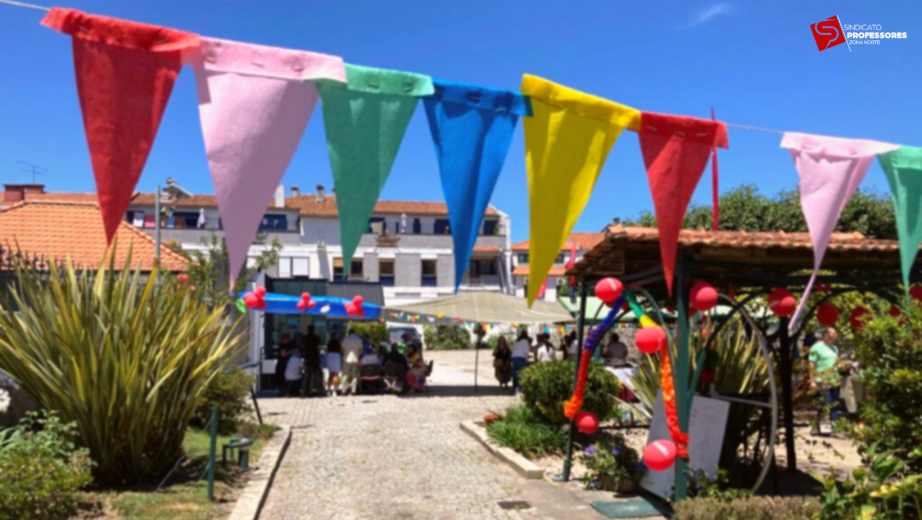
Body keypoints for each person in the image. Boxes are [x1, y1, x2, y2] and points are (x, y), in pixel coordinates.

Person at [809, 327, 842, 434]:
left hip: (835, 379)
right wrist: (812, 380)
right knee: (826, 403)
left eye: (835, 334)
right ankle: (815, 425)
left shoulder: (834, 348)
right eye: (833, 334)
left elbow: (836, 363)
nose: (835, 336)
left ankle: (835, 428)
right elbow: (811, 365)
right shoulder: (816, 347)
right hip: (822, 380)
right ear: (826, 335)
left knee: (834, 404)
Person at [342, 329, 364, 396]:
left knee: (345, 374)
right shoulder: (359, 340)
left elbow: (342, 350)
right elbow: (361, 351)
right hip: (355, 359)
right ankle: (353, 391)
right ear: (354, 333)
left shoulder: (345, 339)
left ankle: (344, 390)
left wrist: (344, 355)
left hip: (347, 359)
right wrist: (358, 356)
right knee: (354, 376)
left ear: (349, 333)